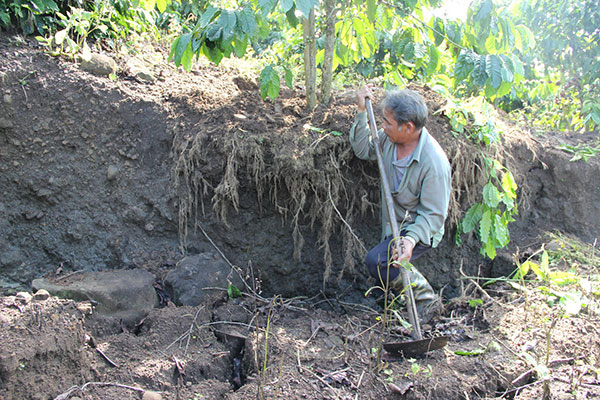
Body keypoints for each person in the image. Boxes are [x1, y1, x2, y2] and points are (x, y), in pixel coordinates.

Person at [350, 85, 451, 323]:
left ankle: (427, 301)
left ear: (409, 127)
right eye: (382, 121)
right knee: (381, 277)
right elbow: (363, 149)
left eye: (387, 123)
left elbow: (434, 215)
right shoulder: (389, 139)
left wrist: (410, 240)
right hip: (393, 223)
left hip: (420, 228)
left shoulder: (434, 163)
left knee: (378, 261)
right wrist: (361, 111)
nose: (382, 127)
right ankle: (390, 315)